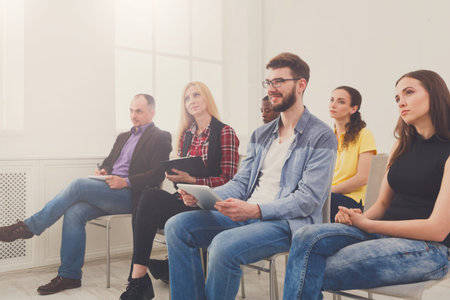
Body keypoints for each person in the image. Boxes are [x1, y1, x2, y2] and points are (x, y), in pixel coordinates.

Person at [165, 52, 337, 300]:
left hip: (287, 223)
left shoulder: (321, 136)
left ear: (301, 85)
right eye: (269, 82)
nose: (272, 89)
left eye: (279, 81)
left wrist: (256, 210)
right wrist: (205, 197)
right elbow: (241, 183)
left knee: (223, 247)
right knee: (177, 227)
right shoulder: (261, 134)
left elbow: (308, 200)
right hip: (246, 213)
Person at [282, 70, 450, 300]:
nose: (401, 102)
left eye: (409, 92)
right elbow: (382, 203)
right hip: (382, 233)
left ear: (436, 95)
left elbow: (437, 230)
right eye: (397, 98)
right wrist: (358, 218)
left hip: (429, 249)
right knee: (304, 236)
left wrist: (369, 225)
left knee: (309, 268)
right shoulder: (401, 146)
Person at [0, 94, 172, 295]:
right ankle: (69, 275)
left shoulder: (161, 136)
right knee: (75, 211)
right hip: (110, 189)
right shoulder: (123, 136)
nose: (133, 115)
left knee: (79, 185)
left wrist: (125, 181)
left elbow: (157, 173)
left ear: (152, 112)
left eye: (139, 111)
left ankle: (28, 227)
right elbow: (109, 162)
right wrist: (104, 171)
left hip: (134, 196)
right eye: (131, 110)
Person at [119, 81, 240, 300]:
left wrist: (192, 179)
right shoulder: (186, 134)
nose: (191, 101)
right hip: (186, 200)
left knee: (147, 200)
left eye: (196, 95)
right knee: (144, 204)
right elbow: (182, 180)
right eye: (187, 98)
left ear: (207, 99)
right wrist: (177, 178)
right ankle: (141, 279)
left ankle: (139, 282)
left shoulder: (225, 132)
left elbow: (229, 180)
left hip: (212, 205)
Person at [329, 86, 376, 221]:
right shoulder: (327, 137)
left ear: (353, 109)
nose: (333, 104)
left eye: (341, 101)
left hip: (352, 200)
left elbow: (362, 178)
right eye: (332, 100)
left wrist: (328, 192)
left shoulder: (364, 134)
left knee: (315, 203)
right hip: (328, 196)